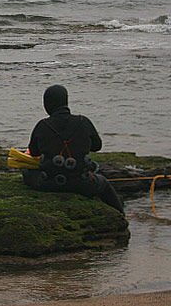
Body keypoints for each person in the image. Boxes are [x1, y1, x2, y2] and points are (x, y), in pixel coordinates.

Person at [22, 85, 124, 213]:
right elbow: (97, 146)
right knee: (103, 182)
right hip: (82, 183)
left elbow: (34, 152)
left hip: (49, 183)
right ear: (65, 101)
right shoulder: (83, 121)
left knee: (26, 171)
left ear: (48, 104)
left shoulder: (42, 125)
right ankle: (120, 214)